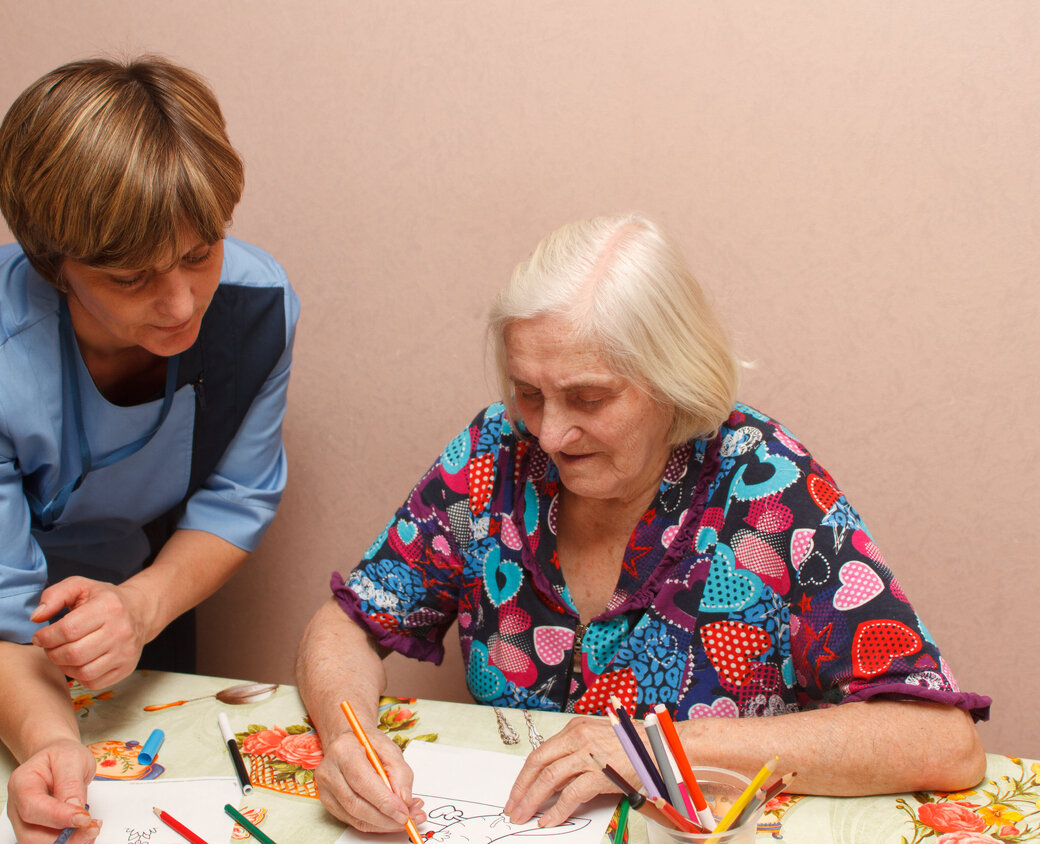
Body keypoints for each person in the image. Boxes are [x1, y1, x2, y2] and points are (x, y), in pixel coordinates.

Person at [296, 213, 989, 834]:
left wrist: (654, 749)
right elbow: (349, 622)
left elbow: (941, 741)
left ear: (672, 380)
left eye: (588, 398)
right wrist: (346, 735)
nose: (552, 434)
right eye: (529, 394)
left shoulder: (764, 484)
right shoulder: (493, 454)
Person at [0, 57, 298, 844]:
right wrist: (53, 747)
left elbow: (235, 501)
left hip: (135, 560)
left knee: (167, 777)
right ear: (51, 265)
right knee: (46, 792)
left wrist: (141, 604)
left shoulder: (257, 307)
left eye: (201, 254)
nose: (181, 303)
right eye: (132, 278)